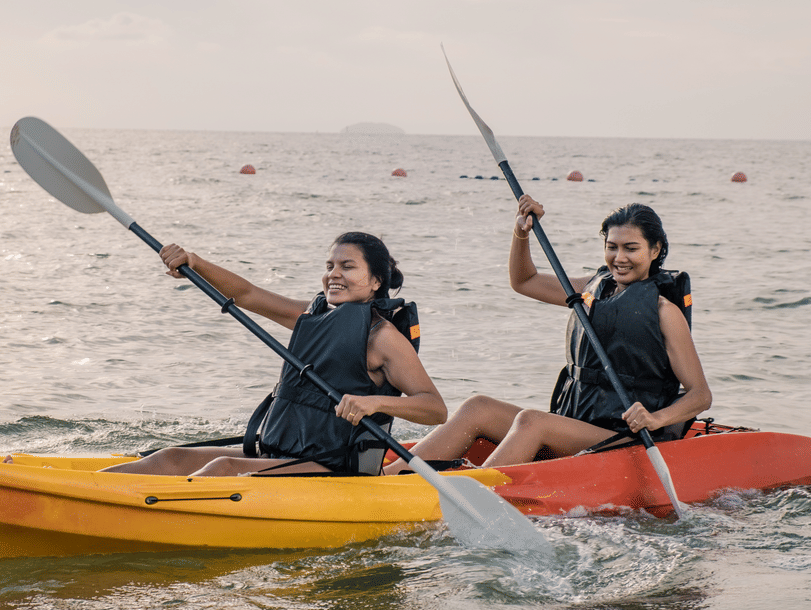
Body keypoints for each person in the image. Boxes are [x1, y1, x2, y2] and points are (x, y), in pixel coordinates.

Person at [384, 194, 711, 473]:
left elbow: (700, 395)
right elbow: (523, 281)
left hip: (624, 437)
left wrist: (655, 419)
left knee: (532, 421)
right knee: (477, 407)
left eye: (631, 248)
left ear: (654, 250)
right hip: (575, 423)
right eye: (612, 247)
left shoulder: (664, 311)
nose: (619, 258)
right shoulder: (590, 290)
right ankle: (385, 479)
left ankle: (472, 494)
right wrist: (521, 232)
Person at [101, 232, 447, 477]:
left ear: (375, 281)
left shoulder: (382, 336)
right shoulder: (312, 316)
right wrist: (196, 263)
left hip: (333, 468)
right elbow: (248, 294)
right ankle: (86, 488)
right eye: (329, 265)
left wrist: (375, 403)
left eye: (348, 266)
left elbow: (434, 408)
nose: (333, 274)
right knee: (171, 458)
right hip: (280, 453)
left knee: (224, 469)